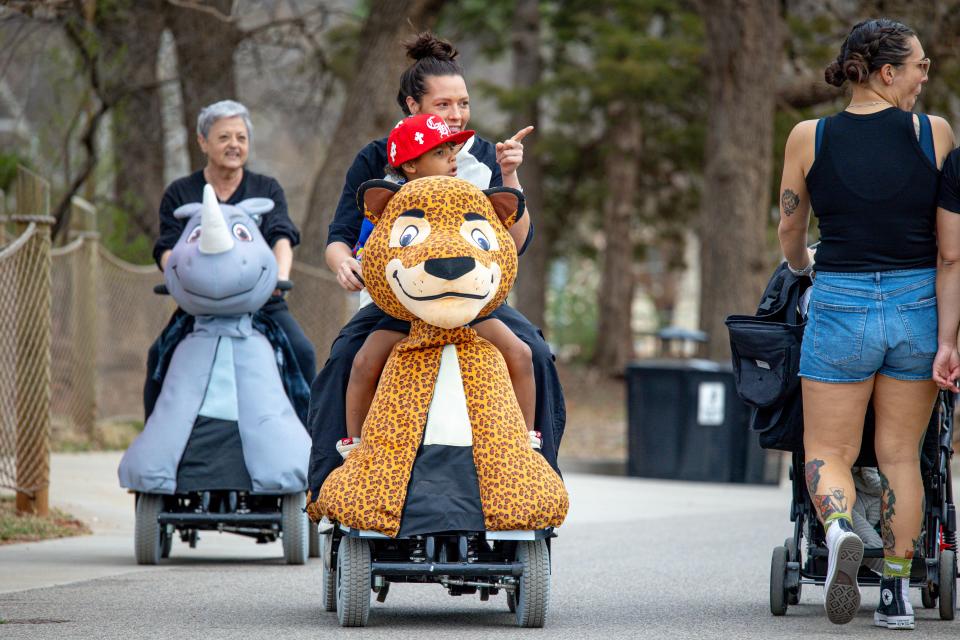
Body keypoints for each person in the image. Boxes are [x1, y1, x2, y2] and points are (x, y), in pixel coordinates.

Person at [308, 32, 565, 497]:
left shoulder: (484, 156)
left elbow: (517, 243)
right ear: (412, 105)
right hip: (398, 301)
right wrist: (344, 263)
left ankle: (536, 468)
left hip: (476, 299)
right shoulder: (376, 157)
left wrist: (510, 175)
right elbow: (339, 239)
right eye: (443, 105)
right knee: (345, 360)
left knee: (537, 356)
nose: (456, 115)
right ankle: (336, 478)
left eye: (463, 104)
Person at [778, 19, 952, 629]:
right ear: (886, 72)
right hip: (916, 304)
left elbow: (790, 229)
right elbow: (949, 240)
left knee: (828, 449)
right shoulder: (934, 134)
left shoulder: (810, 136)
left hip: (841, 303)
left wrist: (802, 266)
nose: (926, 75)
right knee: (902, 454)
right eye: (919, 66)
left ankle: (836, 530)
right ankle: (899, 595)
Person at [342, 113, 538, 447]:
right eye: (439, 153)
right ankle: (355, 446)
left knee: (520, 352)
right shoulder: (390, 205)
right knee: (362, 361)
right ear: (410, 165)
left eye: (451, 150)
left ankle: (525, 441)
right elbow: (370, 252)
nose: (452, 158)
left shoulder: (466, 195)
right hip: (405, 311)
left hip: (465, 308)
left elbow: (497, 239)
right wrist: (358, 264)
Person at [144, 100, 316, 420]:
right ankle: (155, 438)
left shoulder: (267, 188)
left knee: (303, 352)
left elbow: (282, 236)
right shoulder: (180, 193)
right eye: (224, 138)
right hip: (201, 305)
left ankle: (312, 442)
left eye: (241, 137)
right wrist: (180, 280)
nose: (234, 145)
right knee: (158, 357)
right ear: (203, 142)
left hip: (260, 300)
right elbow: (167, 248)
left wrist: (279, 279)